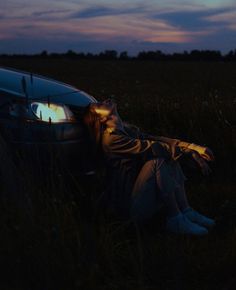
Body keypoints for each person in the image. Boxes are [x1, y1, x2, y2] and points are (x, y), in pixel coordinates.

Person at [83, 98, 216, 235]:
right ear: (101, 119)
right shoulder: (111, 140)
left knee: (168, 156)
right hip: (129, 209)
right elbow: (152, 147)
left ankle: (186, 210)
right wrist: (189, 153)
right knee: (157, 160)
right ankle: (174, 218)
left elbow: (156, 140)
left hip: (142, 196)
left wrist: (191, 147)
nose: (104, 100)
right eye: (98, 105)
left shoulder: (126, 131)